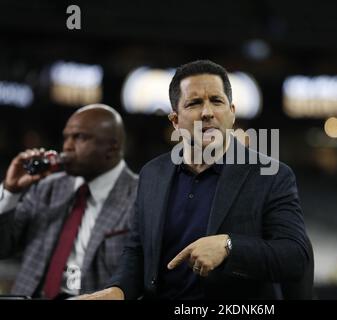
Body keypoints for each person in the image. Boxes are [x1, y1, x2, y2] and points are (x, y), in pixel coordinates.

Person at [77, 60, 312, 300]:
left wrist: (230, 247)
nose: (207, 112)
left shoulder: (270, 174)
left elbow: (296, 257)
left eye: (217, 101)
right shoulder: (151, 174)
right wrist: (118, 291)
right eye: (194, 103)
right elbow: (138, 251)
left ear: (231, 113)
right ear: (175, 121)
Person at [0, 104, 138, 299]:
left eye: (80, 137)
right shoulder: (47, 188)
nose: (67, 146)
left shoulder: (139, 195)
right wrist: (10, 190)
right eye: (66, 137)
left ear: (112, 147)